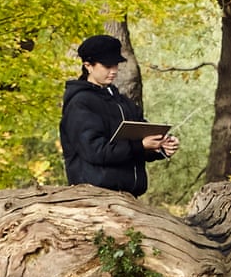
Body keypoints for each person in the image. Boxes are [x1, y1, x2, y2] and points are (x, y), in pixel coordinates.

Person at [59, 34, 179, 196]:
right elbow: (96, 151)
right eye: (107, 66)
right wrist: (141, 145)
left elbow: (138, 143)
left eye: (115, 65)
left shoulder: (122, 102)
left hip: (128, 197)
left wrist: (160, 146)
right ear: (88, 66)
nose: (114, 71)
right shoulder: (80, 103)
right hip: (94, 197)